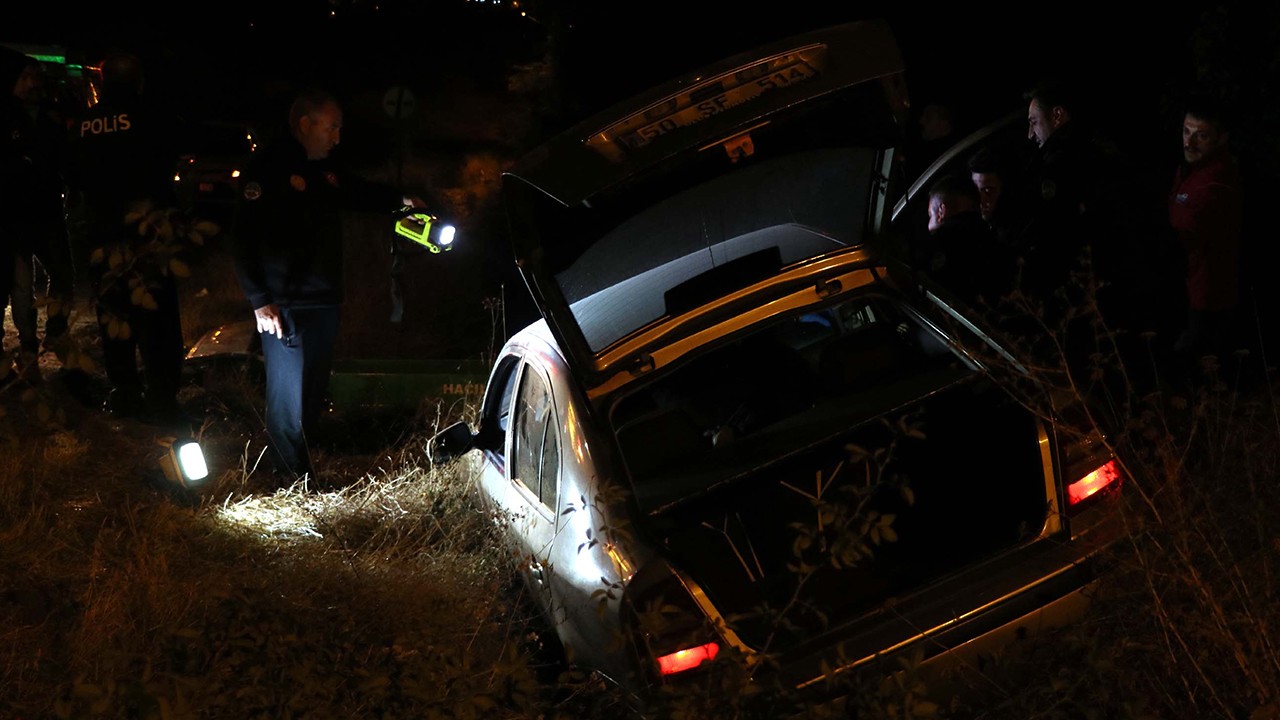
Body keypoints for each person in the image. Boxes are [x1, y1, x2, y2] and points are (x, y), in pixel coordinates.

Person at [232, 88, 425, 482]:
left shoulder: (324, 168)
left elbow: (356, 191)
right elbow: (241, 236)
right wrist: (259, 298)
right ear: (306, 124)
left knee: (313, 389)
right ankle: (291, 480)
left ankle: (302, 464)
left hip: (324, 297)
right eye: (331, 127)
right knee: (289, 395)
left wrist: (402, 200)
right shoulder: (267, 166)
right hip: (285, 301)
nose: (337, 137)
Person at [65, 50, 188, 421]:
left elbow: (73, 175)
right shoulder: (154, 116)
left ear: (103, 83)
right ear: (139, 81)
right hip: (150, 233)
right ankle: (163, 396)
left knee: (114, 314)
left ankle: (126, 393)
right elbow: (171, 162)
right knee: (159, 317)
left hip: (105, 236)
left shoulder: (85, 123)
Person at [0, 52, 75, 385]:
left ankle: (55, 332)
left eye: (36, 76)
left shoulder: (50, 118)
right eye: (26, 76)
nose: (33, 83)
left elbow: (64, 160)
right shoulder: (5, 117)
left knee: (63, 276)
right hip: (12, 218)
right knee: (20, 288)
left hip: (47, 214)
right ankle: (28, 349)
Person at [1168, 94, 1242, 370]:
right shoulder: (1189, 170)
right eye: (1186, 131)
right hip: (1189, 292)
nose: (1189, 142)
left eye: (1201, 136)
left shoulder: (1217, 184)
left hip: (1207, 302)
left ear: (1221, 139)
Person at [922, 173, 1014, 308]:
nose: (928, 225)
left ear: (941, 211)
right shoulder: (997, 244)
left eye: (930, 215)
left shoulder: (939, 243)